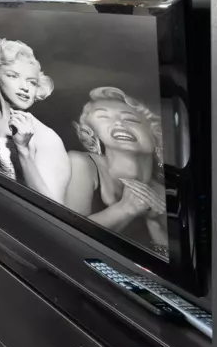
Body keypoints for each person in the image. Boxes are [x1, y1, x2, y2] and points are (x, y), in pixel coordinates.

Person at [0, 39, 70, 203]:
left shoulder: (46, 137)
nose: (25, 87)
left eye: (31, 82)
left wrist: (23, 151)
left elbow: (54, 208)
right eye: (13, 76)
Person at [64, 87, 168, 253]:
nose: (119, 123)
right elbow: (70, 239)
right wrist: (125, 209)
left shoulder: (162, 192)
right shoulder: (81, 163)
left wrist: (154, 222)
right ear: (93, 132)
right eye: (103, 117)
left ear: (156, 134)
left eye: (131, 119)